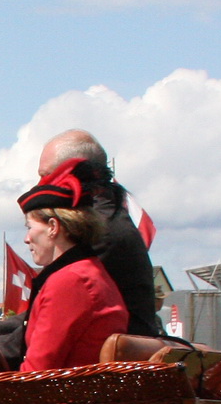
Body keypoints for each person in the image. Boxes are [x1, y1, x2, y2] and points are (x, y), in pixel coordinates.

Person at [38, 129, 161, 338]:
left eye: (45, 176)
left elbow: (41, 317)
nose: (38, 187)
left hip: (104, 365)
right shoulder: (107, 220)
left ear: (71, 174)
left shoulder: (97, 232)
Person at [17, 160, 129, 371]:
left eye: (29, 227)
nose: (26, 238)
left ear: (53, 227)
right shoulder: (89, 271)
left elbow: (37, 372)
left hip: (63, 402)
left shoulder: (71, 281)